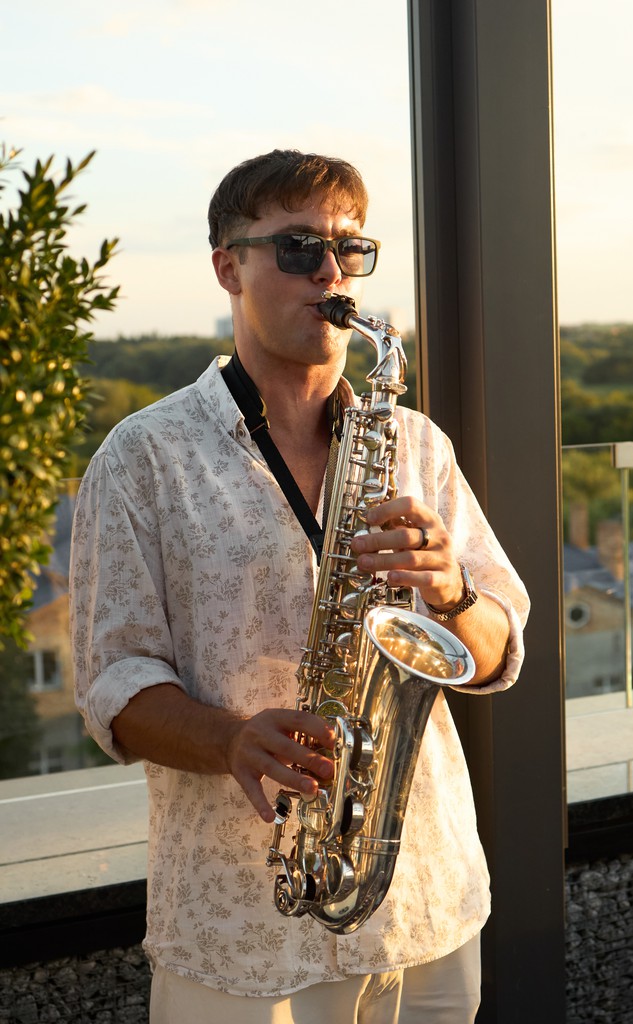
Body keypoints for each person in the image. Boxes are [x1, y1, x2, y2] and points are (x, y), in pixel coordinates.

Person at [70, 149, 529, 1024]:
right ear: (228, 269)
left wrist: (453, 594)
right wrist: (232, 740)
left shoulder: (417, 445)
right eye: (297, 247)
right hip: (240, 932)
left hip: (424, 903)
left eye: (350, 248)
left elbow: (498, 650)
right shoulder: (141, 457)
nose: (330, 270)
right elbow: (112, 685)